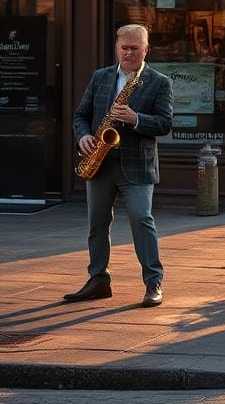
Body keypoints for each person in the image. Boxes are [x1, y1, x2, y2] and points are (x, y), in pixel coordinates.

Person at [66, 24, 174, 308]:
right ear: (116, 47)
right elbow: (81, 115)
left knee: (141, 219)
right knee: (97, 224)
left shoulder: (159, 82)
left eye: (134, 48)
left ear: (146, 49)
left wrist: (136, 118)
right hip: (100, 162)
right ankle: (98, 280)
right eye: (124, 47)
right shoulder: (100, 77)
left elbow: (165, 124)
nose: (128, 53)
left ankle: (154, 283)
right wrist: (84, 136)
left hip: (137, 165)